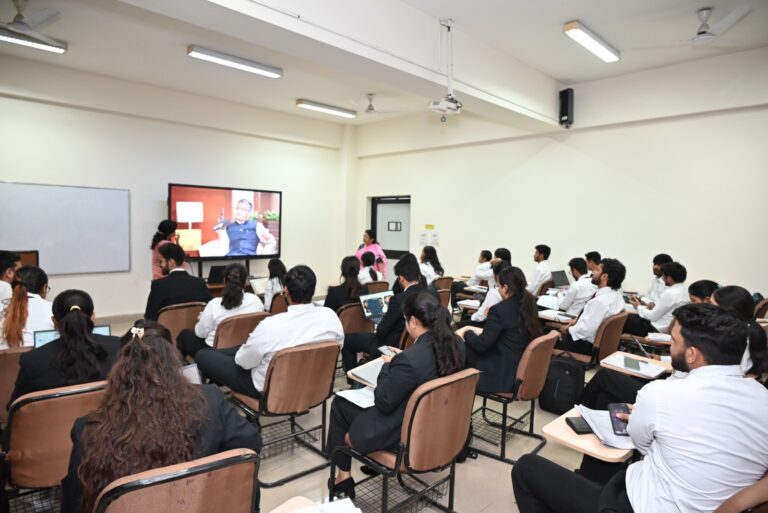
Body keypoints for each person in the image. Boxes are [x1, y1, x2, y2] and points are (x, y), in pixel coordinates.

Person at [512, 303, 768, 513]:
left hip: (640, 504)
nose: (670, 346)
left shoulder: (661, 394)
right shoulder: (762, 397)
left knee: (526, 468)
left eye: (674, 341)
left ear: (692, 354)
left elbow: (640, 443)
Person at [60, 323, 262, 513]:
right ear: (174, 360)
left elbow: (73, 502)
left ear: (121, 365)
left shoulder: (88, 427)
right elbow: (251, 442)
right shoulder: (210, 399)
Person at [326, 290, 465, 499]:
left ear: (413, 321)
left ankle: (343, 478)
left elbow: (383, 401)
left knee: (340, 403)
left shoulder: (409, 360)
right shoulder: (456, 345)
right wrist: (402, 360)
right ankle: (347, 475)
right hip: (440, 428)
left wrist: (388, 366)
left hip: (403, 435)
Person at [195, 265, 344, 398]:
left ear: (286, 291)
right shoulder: (331, 317)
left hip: (268, 389)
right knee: (240, 350)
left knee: (203, 355)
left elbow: (243, 362)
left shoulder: (270, 325)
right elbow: (338, 347)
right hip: (314, 384)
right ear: (313, 290)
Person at [8, 289, 120, 407]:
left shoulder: (32, 361)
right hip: (108, 418)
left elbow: (15, 408)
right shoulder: (121, 348)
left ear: (54, 322)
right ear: (93, 317)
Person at [456, 266, 542, 393]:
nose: (499, 290)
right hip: (519, 369)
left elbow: (481, 346)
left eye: (499, 287)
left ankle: (454, 391)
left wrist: (467, 333)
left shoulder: (499, 309)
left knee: (460, 346)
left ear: (505, 287)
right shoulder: (531, 303)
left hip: (500, 373)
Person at [341, 254, 429, 374]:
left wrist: (383, 319)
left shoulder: (398, 299)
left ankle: (354, 380)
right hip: (418, 344)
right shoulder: (432, 294)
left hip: (390, 346)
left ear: (401, 278)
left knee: (347, 340)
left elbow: (381, 332)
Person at [177, 264, 265, 359]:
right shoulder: (256, 300)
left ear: (224, 281)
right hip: (244, 349)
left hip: (215, 353)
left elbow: (200, 333)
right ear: (246, 282)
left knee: (185, 335)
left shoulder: (214, 304)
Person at [554, 258, 626, 356]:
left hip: (584, 346)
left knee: (544, 339)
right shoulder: (616, 296)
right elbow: (594, 320)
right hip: (602, 345)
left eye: (597, 270)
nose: (592, 272)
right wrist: (577, 321)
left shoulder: (599, 302)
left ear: (604, 276)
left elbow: (585, 331)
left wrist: (567, 329)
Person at [144, 243, 212, 321]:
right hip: (193, 327)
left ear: (171, 262)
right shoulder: (200, 283)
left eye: (161, 261)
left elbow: (149, 317)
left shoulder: (158, 285)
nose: (159, 265)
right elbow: (210, 309)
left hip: (167, 328)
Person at [626, 261, 689, 336]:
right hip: (666, 328)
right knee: (629, 317)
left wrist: (638, 306)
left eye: (663, 275)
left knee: (623, 318)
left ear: (669, 278)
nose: (662, 278)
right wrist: (654, 306)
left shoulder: (670, 293)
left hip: (655, 329)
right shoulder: (685, 291)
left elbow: (652, 317)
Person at [0, 266, 53, 349]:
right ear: (44, 288)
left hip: (5, 356)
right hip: (40, 356)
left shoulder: (2, 306)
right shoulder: (52, 308)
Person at [453, 260, 510, 329]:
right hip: (502, 325)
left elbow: (481, 317)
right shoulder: (514, 291)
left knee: (454, 326)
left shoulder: (495, 292)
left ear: (495, 276)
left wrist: (473, 316)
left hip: (487, 325)